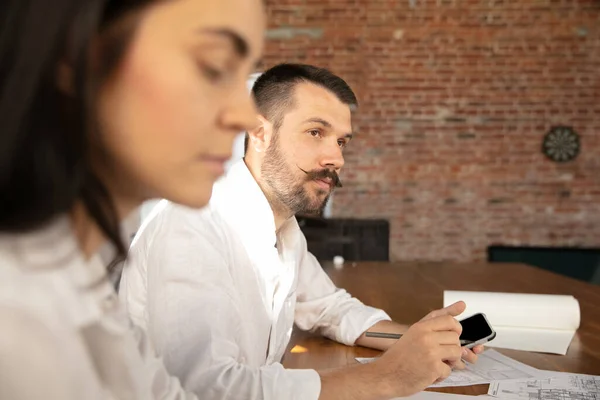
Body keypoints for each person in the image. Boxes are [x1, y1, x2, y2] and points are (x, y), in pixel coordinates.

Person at [120, 63, 484, 400]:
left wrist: (419, 343)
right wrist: (386, 377)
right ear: (260, 133)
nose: (336, 158)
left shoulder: (286, 228)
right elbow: (204, 388)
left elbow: (331, 310)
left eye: (341, 141)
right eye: (315, 132)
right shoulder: (190, 226)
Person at [0, 0, 264, 398]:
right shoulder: (18, 327)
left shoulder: (86, 285)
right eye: (214, 66)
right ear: (75, 52)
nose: (245, 117)